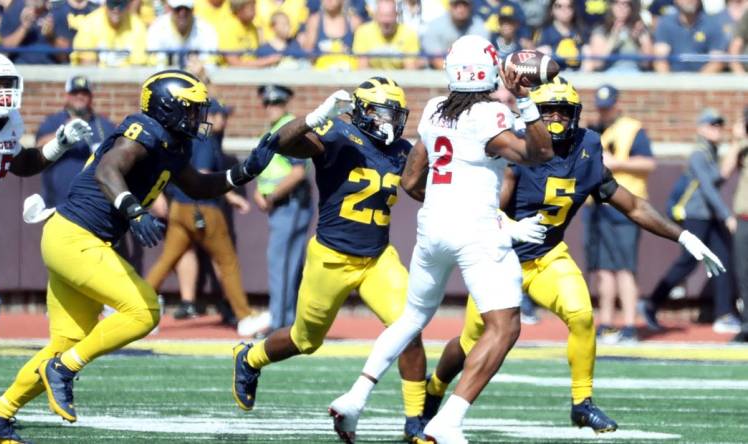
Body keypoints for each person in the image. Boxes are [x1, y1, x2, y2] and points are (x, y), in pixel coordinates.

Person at [0, 69, 275, 443]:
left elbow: (196, 185)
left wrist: (242, 172)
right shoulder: (145, 130)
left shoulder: (173, 143)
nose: (198, 117)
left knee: (65, 343)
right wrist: (133, 209)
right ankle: (63, 370)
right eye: (191, 109)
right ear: (168, 108)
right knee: (144, 311)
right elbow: (108, 168)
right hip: (76, 238)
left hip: (74, 239)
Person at [418, 77, 725, 439]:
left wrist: (683, 235)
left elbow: (630, 202)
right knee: (471, 343)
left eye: (564, 112)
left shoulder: (587, 147)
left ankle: (582, 403)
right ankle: (435, 387)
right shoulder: (517, 149)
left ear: (576, 115)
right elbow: (485, 210)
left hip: (548, 256)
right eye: (548, 112)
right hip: (500, 258)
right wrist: (512, 227)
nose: (557, 120)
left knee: (581, 315)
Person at [327, 35, 554, 444]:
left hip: (432, 226)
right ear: (487, 69)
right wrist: (528, 99)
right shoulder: (491, 114)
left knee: (412, 317)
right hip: (476, 231)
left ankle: (356, 396)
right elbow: (539, 153)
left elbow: (412, 179)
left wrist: (452, 209)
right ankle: (448, 420)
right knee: (504, 327)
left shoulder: (434, 109)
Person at [232, 77, 429, 442]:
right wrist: (313, 117)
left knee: (409, 332)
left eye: (395, 115)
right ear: (365, 112)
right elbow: (281, 142)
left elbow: (421, 189)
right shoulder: (337, 133)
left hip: (377, 259)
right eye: (384, 113)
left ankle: (415, 422)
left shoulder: (402, 150)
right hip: (331, 257)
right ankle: (251, 358)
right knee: (305, 341)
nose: (391, 122)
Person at [0, 51, 89, 395]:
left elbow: (23, 163)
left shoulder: (10, 121)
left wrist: (59, 144)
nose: (4, 92)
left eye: (8, 84)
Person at [145, 98, 270, 337]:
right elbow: (202, 176)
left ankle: (135, 304)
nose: (225, 119)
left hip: (179, 207)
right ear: (210, 117)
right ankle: (244, 316)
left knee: (167, 260)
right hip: (203, 208)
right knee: (228, 262)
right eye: (222, 115)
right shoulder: (205, 140)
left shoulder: (194, 137)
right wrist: (232, 196)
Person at [641, 108, 739, 334]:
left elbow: (718, 179)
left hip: (708, 215)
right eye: (712, 125)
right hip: (695, 214)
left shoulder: (710, 151)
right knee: (688, 261)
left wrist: (735, 143)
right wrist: (726, 216)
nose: (716, 129)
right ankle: (651, 303)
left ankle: (724, 314)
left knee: (722, 258)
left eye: (718, 125)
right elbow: (708, 189)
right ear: (701, 128)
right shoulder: (699, 153)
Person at [585, 84, 656, 344]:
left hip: (624, 206)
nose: (604, 112)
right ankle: (605, 323)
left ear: (618, 105)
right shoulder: (593, 130)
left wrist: (616, 163)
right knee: (603, 269)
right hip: (597, 207)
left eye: (609, 107)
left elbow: (648, 163)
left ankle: (628, 325)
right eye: (601, 108)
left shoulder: (632, 129)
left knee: (625, 268)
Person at [254, 84, 312, 333]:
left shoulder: (288, 128)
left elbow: (298, 171)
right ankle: (285, 320)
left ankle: (281, 322)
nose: (270, 108)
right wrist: (259, 192)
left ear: (285, 103)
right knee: (285, 263)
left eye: (275, 103)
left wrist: (271, 196)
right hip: (281, 204)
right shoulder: (276, 128)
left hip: (289, 203)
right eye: (267, 103)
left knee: (283, 264)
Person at [36, 75, 116, 207]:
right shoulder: (53, 122)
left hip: (96, 204)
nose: (80, 96)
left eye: (84, 93)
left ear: (91, 97)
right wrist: (61, 136)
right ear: (67, 96)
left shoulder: (104, 126)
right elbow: (38, 149)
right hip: (58, 203)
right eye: (75, 93)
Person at [724, 107, 748, 342]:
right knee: (743, 273)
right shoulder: (743, 147)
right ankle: (747, 324)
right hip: (744, 219)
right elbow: (724, 170)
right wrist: (737, 140)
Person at [652, 0, 728, 73]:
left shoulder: (713, 25)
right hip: (672, 81)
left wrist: (695, 83)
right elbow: (660, 59)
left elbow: (717, 61)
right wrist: (668, 83)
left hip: (704, 83)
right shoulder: (665, 24)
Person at [146, 0, 219, 69]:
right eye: (178, 9)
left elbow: (210, 68)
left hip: (196, 80)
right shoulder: (157, 29)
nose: (182, 13)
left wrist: (202, 72)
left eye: (186, 9)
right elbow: (156, 69)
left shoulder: (206, 30)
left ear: (193, 10)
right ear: (170, 9)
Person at [421, 0, 490, 69]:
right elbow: (435, 60)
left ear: (471, 7)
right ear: (450, 6)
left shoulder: (479, 26)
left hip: (472, 74)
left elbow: (482, 59)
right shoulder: (435, 26)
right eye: (456, 4)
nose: (460, 9)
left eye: (465, 5)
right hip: (437, 74)